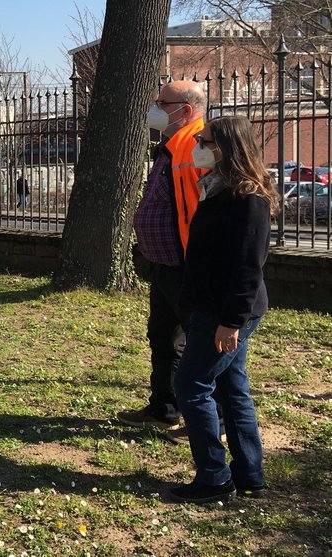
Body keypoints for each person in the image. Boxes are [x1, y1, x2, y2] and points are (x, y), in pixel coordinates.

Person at [168, 115, 277, 504]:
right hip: (212, 307)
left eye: (205, 140)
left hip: (226, 313)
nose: (198, 145)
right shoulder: (217, 188)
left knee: (191, 386)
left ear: (228, 147)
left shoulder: (247, 199)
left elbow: (248, 267)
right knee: (232, 390)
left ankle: (215, 478)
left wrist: (230, 322)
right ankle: (250, 477)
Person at [119, 80, 207, 431]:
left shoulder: (198, 144)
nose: (153, 108)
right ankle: (163, 408)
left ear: (184, 110)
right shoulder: (171, 145)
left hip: (186, 262)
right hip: (165, 263)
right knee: (162, 336)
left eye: (161, 102)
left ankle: (203, 419)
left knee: (196, 342)